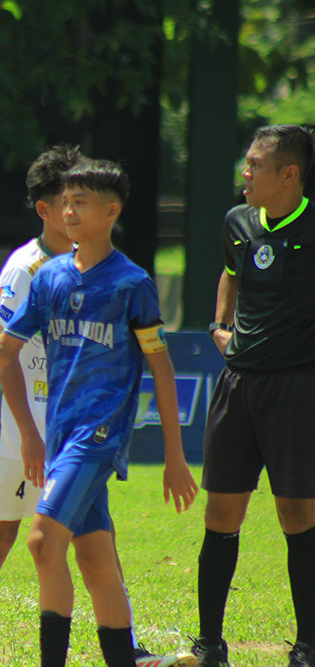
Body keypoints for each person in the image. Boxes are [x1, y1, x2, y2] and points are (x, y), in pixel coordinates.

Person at [0, 160, 198, 667]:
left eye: (81, 202)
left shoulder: (131, 283)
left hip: (96, 436)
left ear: (111, 211)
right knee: (96, 556)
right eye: (66, 201)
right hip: (56, 438)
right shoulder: (48, 277)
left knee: (41, 539)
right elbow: (2, 349)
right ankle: (127, 658)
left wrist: (174, 455)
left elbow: (161, 370)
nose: (70, 210)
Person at [189, 124, 315, 667]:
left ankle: (307, 644)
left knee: (297, 512)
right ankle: (210, 644)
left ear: (289, 174)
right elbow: (230, 273)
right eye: (247, 163)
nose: (246, 173)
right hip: (237, 384)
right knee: (220, 513)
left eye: (256, 165)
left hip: (294, 386)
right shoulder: (237, 222)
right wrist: (220, 325)